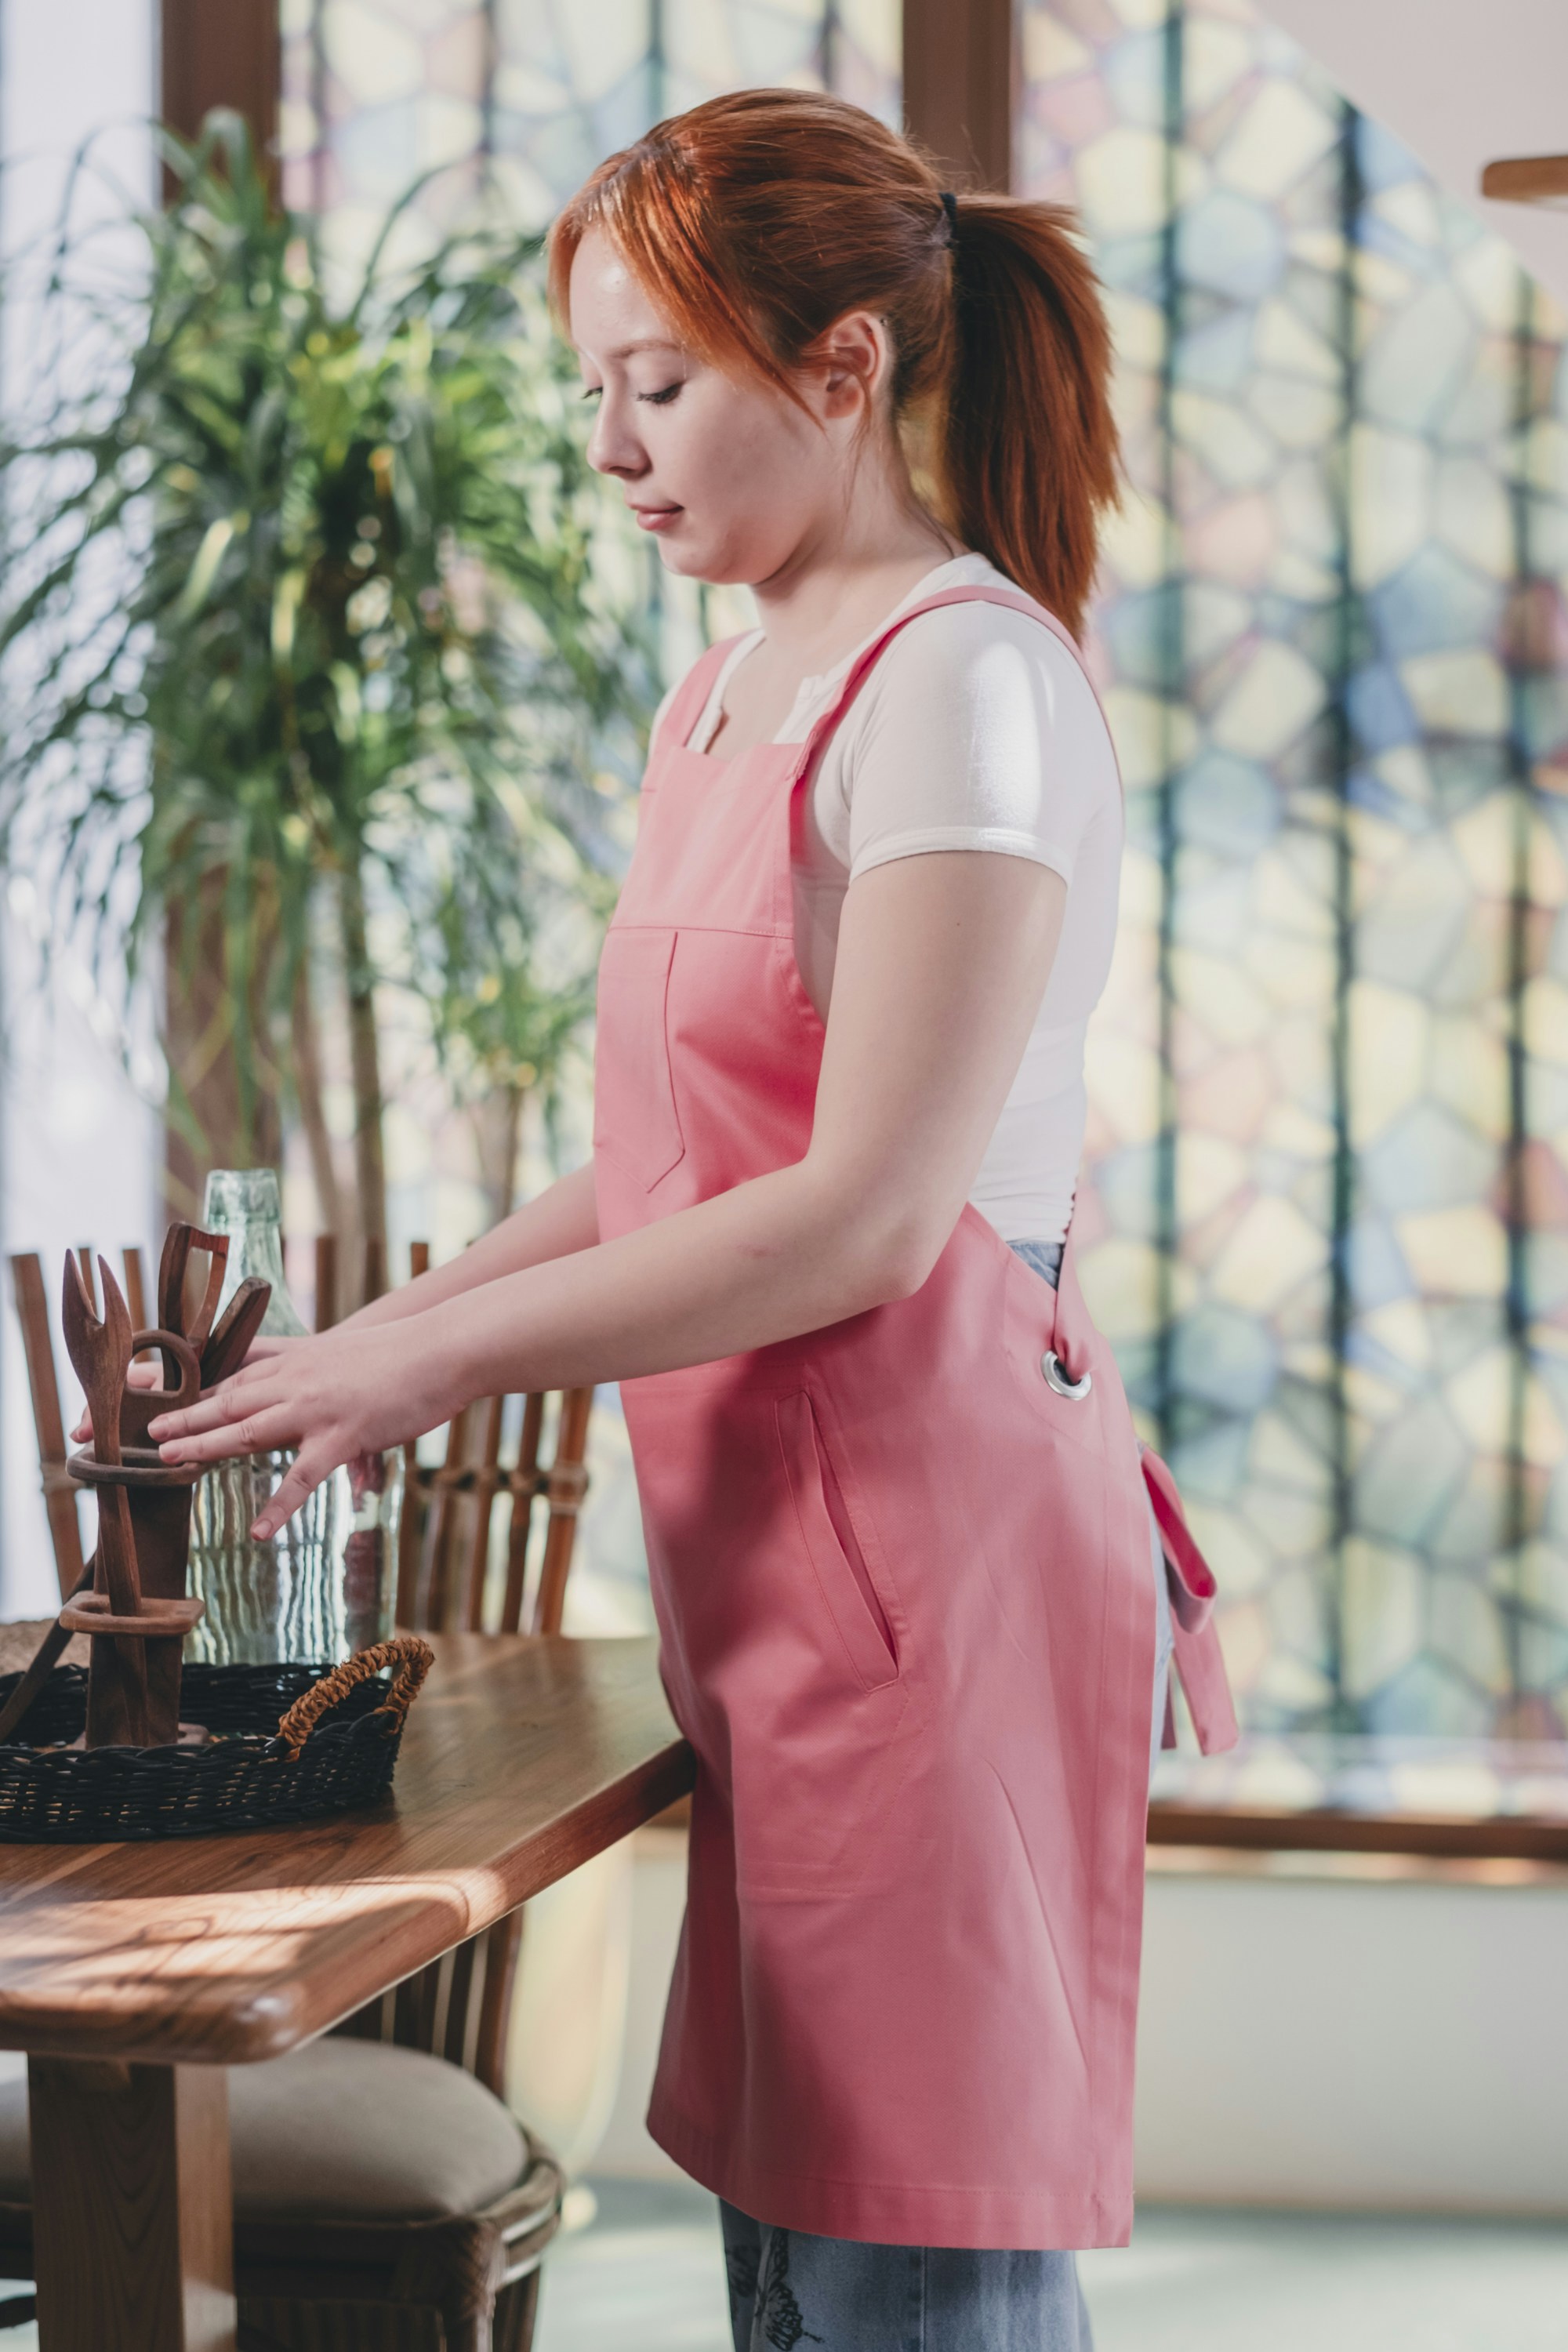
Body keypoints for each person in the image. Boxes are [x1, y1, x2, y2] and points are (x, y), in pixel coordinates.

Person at [151, 86, 1234, 2352]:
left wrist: (425, 1370)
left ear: (842, 369)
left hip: (934, 1558)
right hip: (784, 1558)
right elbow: (671, 1150)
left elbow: (859, 1215)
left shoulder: (964, 686)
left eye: (660, 384)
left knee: (907, 2257)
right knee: (800, 2241)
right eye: (594, 394)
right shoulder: (734, 683)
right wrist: (372, 1337)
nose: (615, 448)